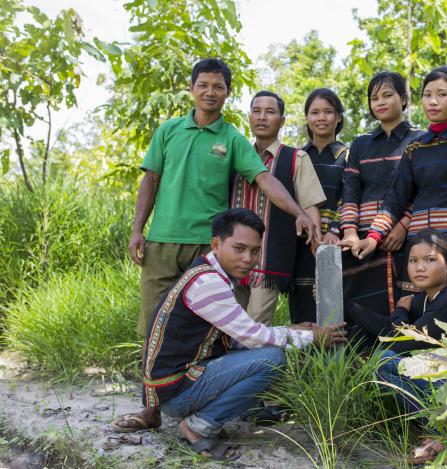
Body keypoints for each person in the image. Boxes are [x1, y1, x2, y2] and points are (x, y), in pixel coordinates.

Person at [114, 58, 318, 432]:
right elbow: (151, 181)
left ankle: (210, 400)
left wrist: (299, 212)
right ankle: (151, 411)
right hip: (161, 241)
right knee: (152, 326)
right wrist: (136, 229)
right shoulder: (169, 130)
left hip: (206, 251)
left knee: (214, 331)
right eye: (203, 85)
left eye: (218, 86)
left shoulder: (232, 139)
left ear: (227, 92)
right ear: (192, 88)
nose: (210, 92)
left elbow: (264, 179)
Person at [141, 208, 346, 460]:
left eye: (255, 250)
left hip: (173, 385)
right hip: (175, 392)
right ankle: (197, 426)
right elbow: (252, 337)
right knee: (272, 359)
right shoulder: (209, 283)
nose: (248, 258)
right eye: (239, 249)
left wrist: (290, 330)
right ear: (216, 244)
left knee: (266, 351)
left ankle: (203, 418)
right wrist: (312, 337)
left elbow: (237, 336)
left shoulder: (208, 272)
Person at [344, 229, 447, 465]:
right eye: (413, 261)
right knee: (382, 365)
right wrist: (346, 305)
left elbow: (404, 343)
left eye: (429, 260)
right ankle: (444, 431)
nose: (420, 267)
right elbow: (389, 329)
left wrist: (402, 311)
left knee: (384, 360)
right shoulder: (427, 298)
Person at [342, 66, 447, 296]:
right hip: (417, 247)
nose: (433, 101)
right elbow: (396, 199)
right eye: (427, 95)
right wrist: (374, 238)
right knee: (415, 314)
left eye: (442, 94)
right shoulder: (415, 148)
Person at [231, 90, 326, 325]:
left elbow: (310, 205)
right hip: (231, 258)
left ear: (282, 121)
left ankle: (253, 362)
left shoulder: (296, 158)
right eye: (256, 111)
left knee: (254, 327)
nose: (262, 117)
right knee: (228, 325)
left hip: (269, 260)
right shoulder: (233, 156)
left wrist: (317, 245)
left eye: (270, 112)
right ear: (249, 117)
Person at [339, 71, 424, 314]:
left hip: (406, 235)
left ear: (404, 99)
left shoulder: (420, 139)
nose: (380, 102)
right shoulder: (360, 144)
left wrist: (402, 226)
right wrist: (351, 232)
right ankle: (365, 352)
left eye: (388, 95)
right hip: (364, 238)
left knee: (409, 300)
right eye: (374, 98)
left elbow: (424, 190)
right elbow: (351, 191)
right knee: (363, 305)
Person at [289, 88, 348, 323]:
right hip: (301, 239)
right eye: (314, 112)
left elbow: (350, 196)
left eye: (328, 112)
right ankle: (301, 355)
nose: (321, 118)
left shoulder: (348, 156)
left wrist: (335, 229)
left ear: (339, 117)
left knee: (334, 296)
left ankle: (335, 355)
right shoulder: (296, 156)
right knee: (302, 297)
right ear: (307, 118)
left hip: (336, 240)